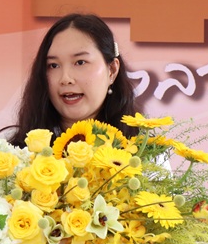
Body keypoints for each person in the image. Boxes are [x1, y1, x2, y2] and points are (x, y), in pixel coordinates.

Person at [7, 13, 139, 148]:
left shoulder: (144, 148)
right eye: (54, 65)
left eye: (80, 62)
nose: (65, 78)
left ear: (112, 70)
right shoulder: (13, 150)